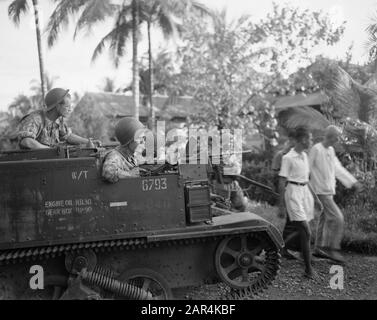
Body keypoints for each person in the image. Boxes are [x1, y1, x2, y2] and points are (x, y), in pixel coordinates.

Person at [309, 125, 362, 264]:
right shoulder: (316, 149)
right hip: (321, 191)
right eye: (337, 137)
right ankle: (334, 250)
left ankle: (318, 248)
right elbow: (306, 169)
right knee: (338, 218)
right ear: (331, 136)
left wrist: (352, 182)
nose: (338, 140)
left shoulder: (330, 150)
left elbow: (338, 169)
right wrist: (307, 190)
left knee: (324, 218)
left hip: (328, 191)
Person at [279, 127, 322, 279]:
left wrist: (316, 199)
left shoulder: (304, 156)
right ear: (303, 139)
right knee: (305, 231)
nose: (311, 142)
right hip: (293, 194)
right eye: (310, 139)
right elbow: (282, 180)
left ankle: (279, 248)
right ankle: (308, 269)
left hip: (305, 194)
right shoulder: (288, 158)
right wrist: (281, 206)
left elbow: (306, 179)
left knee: (300, 230)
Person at [17, 88, 98, 149]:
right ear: (58, 106)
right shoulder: (36, 119)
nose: (70, 109)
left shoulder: (59, 121)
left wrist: (88, 141)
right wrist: (51, 151)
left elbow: (68, 136)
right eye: (67, 106)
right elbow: (27, 141)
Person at [102, 117, 145, 183]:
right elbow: (108, 173)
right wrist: (130, 174)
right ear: (129, 141)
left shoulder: (131, 155)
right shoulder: (115, 156)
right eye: (139, 139)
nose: (143, 142)